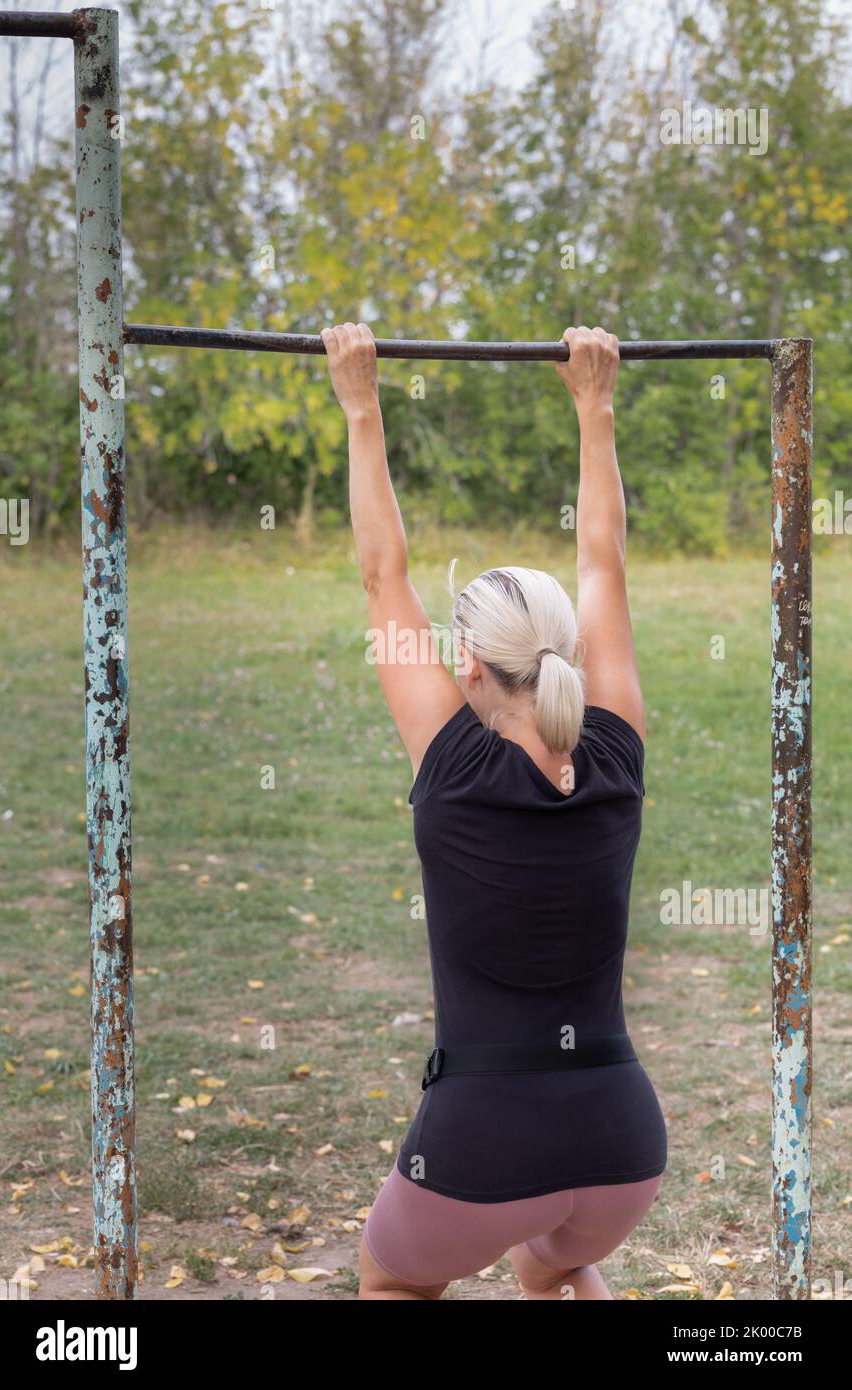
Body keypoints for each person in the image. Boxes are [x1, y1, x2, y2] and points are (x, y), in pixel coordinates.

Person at [321, 322, 667, 1301]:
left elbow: (383, 576)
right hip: (622, 1141)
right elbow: (603, 564)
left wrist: (359, 405)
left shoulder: (454, 759)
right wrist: (593, 408)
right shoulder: (612, 749)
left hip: (481, 1139)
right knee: (549, 1257)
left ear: (464, 664)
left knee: (391, 1280)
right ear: (566, 657)